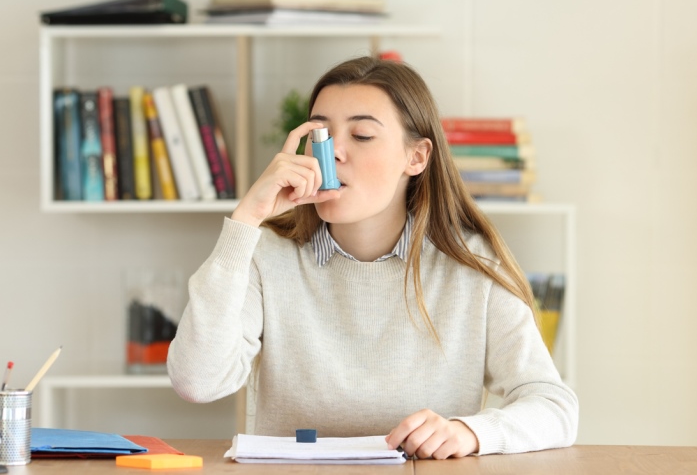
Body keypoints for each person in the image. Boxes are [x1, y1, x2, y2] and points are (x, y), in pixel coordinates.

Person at [168, 56, 578, 459]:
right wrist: (245, 221)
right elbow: (197, 381)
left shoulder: (471, 264)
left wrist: (470, 432)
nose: (333, 153)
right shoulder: (264, 254)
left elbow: (554, 407)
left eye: (362, 135)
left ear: (416, 157)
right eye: (320, 136)